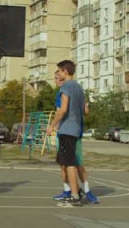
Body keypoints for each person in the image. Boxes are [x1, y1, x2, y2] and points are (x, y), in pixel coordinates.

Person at [51, 71, 99, 204]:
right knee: (63, 164)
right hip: (66, 130)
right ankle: (68, 190)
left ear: (63, 76)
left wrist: (51, 126)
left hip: (70, 132)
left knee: (76, 163)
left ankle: (84, 191)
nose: (55, 80)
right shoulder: (64, 92)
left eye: (57, 77)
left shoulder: (69, 89)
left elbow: (64, 110)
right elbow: (60, 111)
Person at [46, 60, 85, 208]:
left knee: (69, 164)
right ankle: (77, 191)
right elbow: (83, 110)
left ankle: (74, 197)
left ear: (65, 72)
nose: (59, 74)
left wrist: (51, 126)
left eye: (60, 71)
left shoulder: (66, 86)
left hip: (67, 130)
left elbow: (62, 110)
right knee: (70, 162)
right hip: (75, 129)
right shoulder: (79, 88)